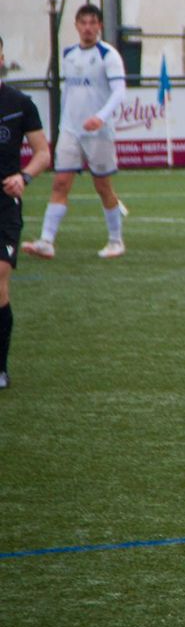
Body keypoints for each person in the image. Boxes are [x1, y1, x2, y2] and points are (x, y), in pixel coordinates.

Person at [22, 4, 129, 260]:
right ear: (77, 25)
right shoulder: (69, 54)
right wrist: (63, 124)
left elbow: (119, 92)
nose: (88, 28)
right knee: (60, 182)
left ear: (100, 26)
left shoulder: (108, 55)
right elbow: (68, 92)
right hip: (71, 131)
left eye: (93, 23)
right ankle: (47, 241)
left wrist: (100, 118)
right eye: (83, 23)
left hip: (99, 133)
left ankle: (116, 241)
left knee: (102, 185)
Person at [0, 35, 52, 391]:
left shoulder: (20, 104)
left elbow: (43, 152)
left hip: (4, 204)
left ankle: (0, 367)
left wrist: (25, 176)